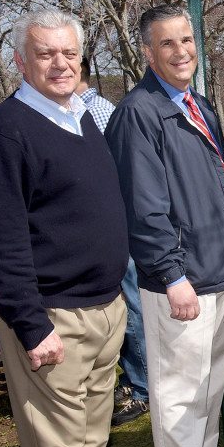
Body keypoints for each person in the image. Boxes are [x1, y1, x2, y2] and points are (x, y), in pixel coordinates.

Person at [0, 8, 156, 447]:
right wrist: (29, 323)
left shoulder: (83, 120)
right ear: (20, 61)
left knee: (91, 433)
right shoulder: (4, 134)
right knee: (56, 438)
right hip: (51, 316)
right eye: (45, 53)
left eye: (69, 53)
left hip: (103, 306)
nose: (60, 63)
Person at [106, 4, 224, 447]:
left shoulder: (196, 105)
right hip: (181, 279)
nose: (181, 52)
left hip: (216, 270)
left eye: (187, 41)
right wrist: (172, 275)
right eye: (167, 44)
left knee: (211, 378)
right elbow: (144, 208)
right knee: (179, 386)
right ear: (148, 52)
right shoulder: (140, 113)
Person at [76, 57, 151, 427]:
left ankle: (143, 388)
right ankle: (136, 379)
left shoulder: (100, 112)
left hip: (121, 232)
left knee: (131, 308)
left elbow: (120, 177)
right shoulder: (80, 111)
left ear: (81, 72)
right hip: (104, 232)